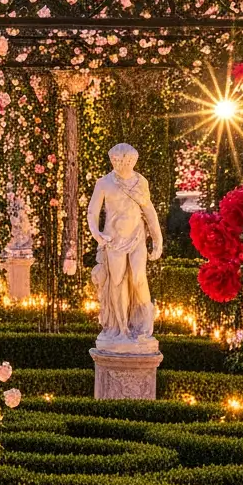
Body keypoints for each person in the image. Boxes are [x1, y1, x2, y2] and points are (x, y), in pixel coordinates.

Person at [88, 143, 163, 340]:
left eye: (127, 162)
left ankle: (146, 324)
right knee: (117, 281)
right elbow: (92, 212)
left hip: (137, 235)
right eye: (118, 161)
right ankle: (122, 329)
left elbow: (149, 211)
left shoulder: (140, 182)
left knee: (139, 278)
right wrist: (97, 233)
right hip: (113, 238)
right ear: (113, 161)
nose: (122, 165)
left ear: (133, 161)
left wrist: (158, 239)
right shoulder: (104, 183)